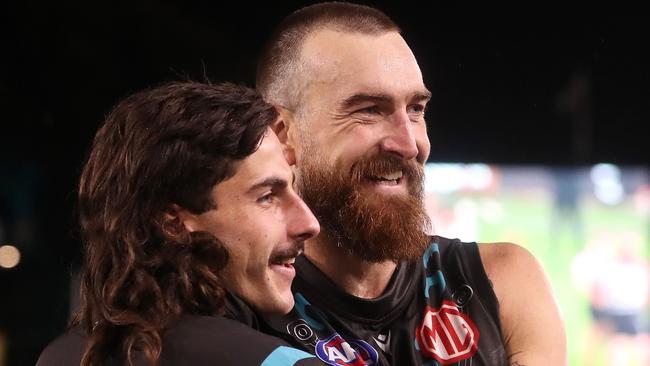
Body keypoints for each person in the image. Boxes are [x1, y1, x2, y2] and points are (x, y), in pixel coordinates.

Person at [256, 2, 566, 365]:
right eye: (369, 110)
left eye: (416, 110)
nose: (409, 144)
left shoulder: (500, 282)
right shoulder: (240, 305)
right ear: (283, 134)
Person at [36, 81, 326, 365]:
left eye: (293, 190)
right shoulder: (281, 361)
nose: (309, 223)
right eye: (267, 197)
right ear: (172, 222)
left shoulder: (58, 357)